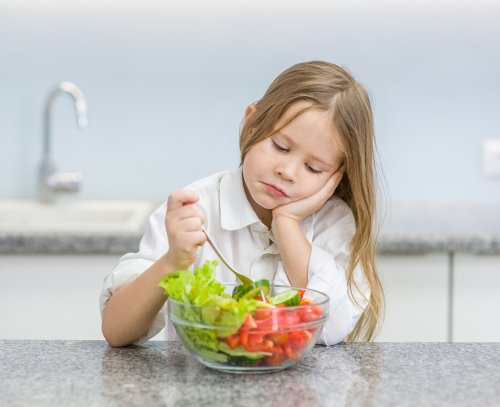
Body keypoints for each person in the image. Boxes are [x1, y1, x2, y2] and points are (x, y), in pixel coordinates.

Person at [100, 60, 383, 347]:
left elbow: (332, 329)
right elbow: (116, 330)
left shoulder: (334, 222)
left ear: (337, 175)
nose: (288, 171)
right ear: (251, 125)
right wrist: (172, 261)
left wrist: (286, 224)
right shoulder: (195, 209)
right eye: (280, 147)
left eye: (313, 168)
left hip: (297, 391)